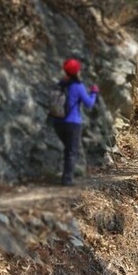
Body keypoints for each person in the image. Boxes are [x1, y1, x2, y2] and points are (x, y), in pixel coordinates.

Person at [51, 58, 99, 186]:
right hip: (72, 123)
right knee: (72, 151)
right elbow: (89, 104)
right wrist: (94, 93)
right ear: (77, 71)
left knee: (68, 150)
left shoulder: (60, 83)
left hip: (57, 121)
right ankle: (67, 180)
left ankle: (65, 176)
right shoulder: (78, 86)